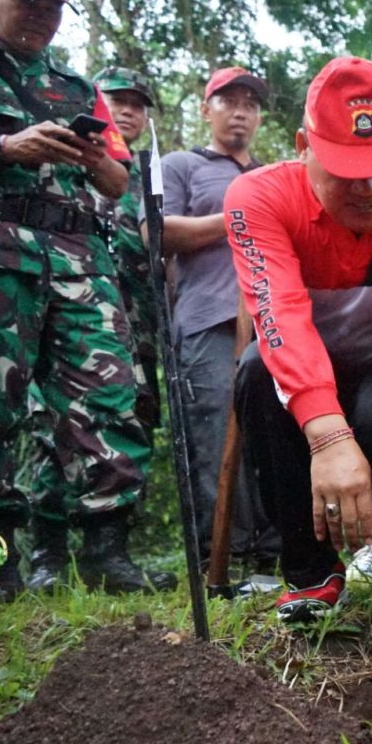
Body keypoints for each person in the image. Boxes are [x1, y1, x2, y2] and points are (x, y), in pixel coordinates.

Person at [226, 56, 372, 623]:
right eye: (344, 168)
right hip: (307, 361)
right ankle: (310, 567)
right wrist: (327, 436)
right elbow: (278, 314)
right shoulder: (257, 197)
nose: (367, 189)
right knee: (255, 373)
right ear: (302, 144)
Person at [0, 0, 173, 599]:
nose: (43, 15)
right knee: (2, 405)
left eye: (56, 6)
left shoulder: (73, 86)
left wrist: (93, 156)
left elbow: (119, 182)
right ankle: (3, 561)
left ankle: (106, 550)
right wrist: (8, 145)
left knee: (108, 398)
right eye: (28, 1)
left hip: (77, 259)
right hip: (3, 251)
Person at [22, 65, 168, 592]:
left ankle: (108, 551)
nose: (127, 110)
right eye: (117, 100)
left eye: (137, 103)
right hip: (50, 302)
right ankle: (48, 555)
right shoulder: (52, 160)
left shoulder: (142, 180)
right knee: (48, 427)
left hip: (129, 321)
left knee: (119, 421)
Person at [161, 65, 279, 571]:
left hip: (273, 324)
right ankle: (221, 558)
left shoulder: (272, 176)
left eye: (250, 104)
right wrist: (236, 216)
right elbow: (159, 231)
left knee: (273, 435)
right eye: (228, 101)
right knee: (212, 436)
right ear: (206, 108)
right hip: (208, 320)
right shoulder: (182, 165)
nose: (240, 111)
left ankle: (274, 554)